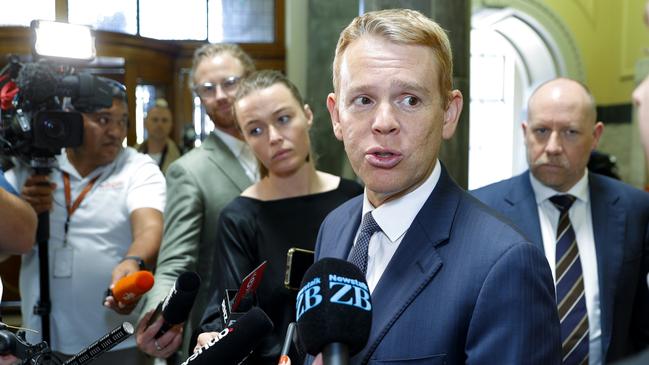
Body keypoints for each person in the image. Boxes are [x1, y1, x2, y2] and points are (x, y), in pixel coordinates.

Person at [310, 8, 561, 364]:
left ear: (448, 113)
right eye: (363, 100)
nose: (384, 123)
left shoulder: (505, 265)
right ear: (337, 116)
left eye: (409, 100)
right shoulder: (334, 228)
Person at [473, 78, 649, 364]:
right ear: (525, 132)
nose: (553, 146)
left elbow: (640, 321)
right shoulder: (482, 210)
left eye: (569, 132)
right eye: (541, 131)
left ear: (595, 136)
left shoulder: (635, 210)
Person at [194, 70, 363, 364]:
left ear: (308, 115)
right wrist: (213, 336)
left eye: (283, 119)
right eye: (255, 130)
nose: (274, 138)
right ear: (245, 138)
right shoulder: (241, 217)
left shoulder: (353, 199)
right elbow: (224, 313)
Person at [6, 78, 165, 364]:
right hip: (39, 337)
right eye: (103, 120)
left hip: (115, 342)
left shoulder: (137, 167)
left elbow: (150, 226)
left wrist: (134, 261)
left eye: (123, 121)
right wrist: (24, 211)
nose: (116, 132)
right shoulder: (33, 162)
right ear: (72, 121)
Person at [136, 43, 259, 361]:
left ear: (251, 79)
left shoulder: (283, 154)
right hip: (221, 336)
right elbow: (175, 263)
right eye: (207, 88)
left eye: (230, 82)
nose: (220, 95)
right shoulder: (188, 171)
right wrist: (159, 316)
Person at [136, 98, 182, 174]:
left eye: (164, 120)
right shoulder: (133, 155)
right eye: (155, 120)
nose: (159, 125)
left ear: (171, 125)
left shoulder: (181, 156)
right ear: (145, 123)